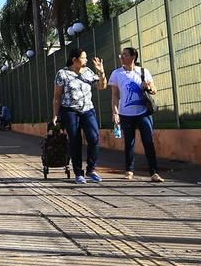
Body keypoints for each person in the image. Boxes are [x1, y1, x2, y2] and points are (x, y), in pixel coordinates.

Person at [51, 48, 107, 185]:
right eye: (84, 58)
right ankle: (78, 173)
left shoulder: (88, 72)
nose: (86, 60)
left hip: (88, 110)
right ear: (74, 60)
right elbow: (57, 97)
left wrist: (101, 72)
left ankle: (91, 169)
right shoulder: (62, 74)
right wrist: (55, 115)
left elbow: (102, 86)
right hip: (70, 110)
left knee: (94, 138)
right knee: (75, 141)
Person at [110, 46, 163, 182]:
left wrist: (149, 87)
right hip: (125, 114)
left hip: (143, 113)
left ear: (133, 57)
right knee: (129, 143)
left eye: (125, 55)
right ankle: (129, 170)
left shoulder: (143, 72)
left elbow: (154, 89)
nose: (122, 57)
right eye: (121, 55)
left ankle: (154, 172)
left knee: (148, 142)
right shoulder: (117, 74)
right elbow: (115, 95)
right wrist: (115, 112)